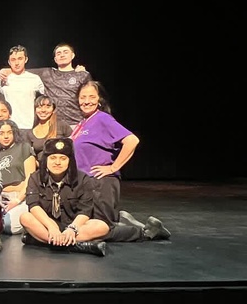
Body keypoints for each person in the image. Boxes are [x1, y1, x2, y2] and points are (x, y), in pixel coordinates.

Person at [71, 80, 171, 242]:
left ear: (99, 100)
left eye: (91, 96)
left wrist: (113, 167)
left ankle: (148, 232)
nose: (86, 101)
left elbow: (132, 140)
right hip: (85, 184)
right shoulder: (82, 124)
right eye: (82, 97)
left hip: (100, 182)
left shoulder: (103, 118)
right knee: (87, 225)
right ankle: (122, 220)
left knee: (102, 228)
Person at [20, 137, 109, 256]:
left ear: (70, 161)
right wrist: (52, 227)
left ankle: (44, 241)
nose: (57, 162)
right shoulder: (35, 178)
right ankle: (78, 246)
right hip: (47, 226)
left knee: (102, 227)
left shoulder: (83, 179)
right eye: (53, 158)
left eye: (63, 158)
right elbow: (33, 206)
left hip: (74, 226)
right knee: (25, 217)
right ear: (46, 160)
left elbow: (85, 210)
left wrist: (72, 229)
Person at [0, 42, 91, 127]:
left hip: (76, 124)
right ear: (55, 59)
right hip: (52, 124)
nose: (62, 55)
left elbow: (91, 99)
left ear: (73, 55)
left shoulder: (82, 75)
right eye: (58, 53)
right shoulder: (46, 73)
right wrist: (4, 70)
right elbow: (22, 71)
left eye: (65, 52)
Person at [0, 119, 36, 235]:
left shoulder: (24, 148)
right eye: (1, 133)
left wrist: (17, 200)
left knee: (8, 226)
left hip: (20, 196)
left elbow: (30, 177)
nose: (6, 136)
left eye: (9, 132)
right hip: (0, 198)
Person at [0, 45, 44, 131]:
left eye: (20, 58)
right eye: (13, 60)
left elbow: (44, 98)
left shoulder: (35, 79)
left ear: (26, 59)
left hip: (30, 127)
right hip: (9, 128)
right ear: (9, 62)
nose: (16, 63)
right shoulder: (2, 80)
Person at [26, 95, 72, 163]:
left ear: (53, 109)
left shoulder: (62, 125)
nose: (43, 110)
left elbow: (75, 145)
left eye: (48, 107)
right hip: (42, 169)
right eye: (39, 107)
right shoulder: (30, 133)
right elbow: (30, 157)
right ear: (35, 110)